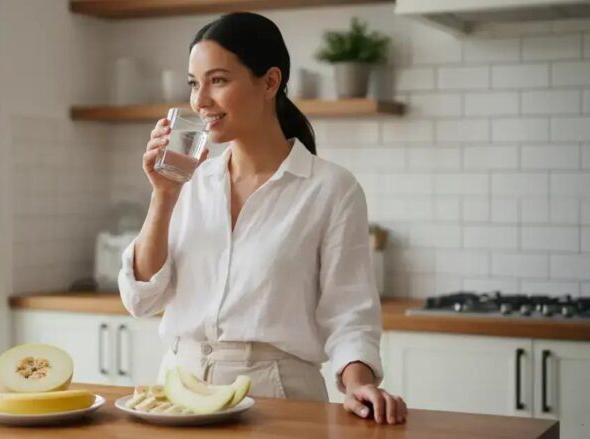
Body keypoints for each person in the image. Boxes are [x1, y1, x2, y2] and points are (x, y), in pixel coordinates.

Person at [118, 11, 407, 424]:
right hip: (177, 394)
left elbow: (350, 314)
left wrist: (360, 382)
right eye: (194, 84)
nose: (200, 101)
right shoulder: (189, 182)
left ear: (270, 82)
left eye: (217, 80)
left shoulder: (331, 188)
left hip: (280, 395)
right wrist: (163, 196)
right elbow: (142, 299)